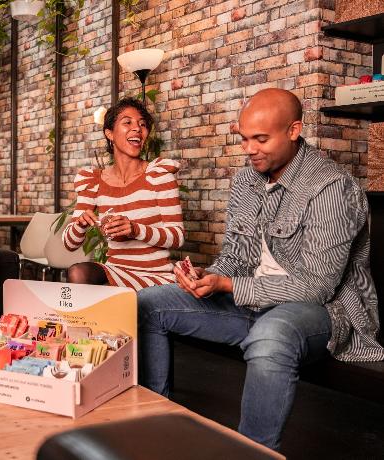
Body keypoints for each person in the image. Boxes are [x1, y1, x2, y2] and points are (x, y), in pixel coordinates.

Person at [137, 88, 384, 450]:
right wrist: (209, 278)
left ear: (294, 130)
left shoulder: (330, 187)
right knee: (148, 303)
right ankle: (154, 431)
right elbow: (237, 256)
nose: (249, 149)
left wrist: (229, 286)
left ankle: (251, 455)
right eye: (244, 138)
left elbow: (316, 288)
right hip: (252, 303)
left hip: (323, 313)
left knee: (272, 336)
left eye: (261, 139)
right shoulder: (246, 180)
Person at [62, 97, 184, 290]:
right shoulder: (94, 181)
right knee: (78, 272)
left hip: (155, 276)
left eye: (142, 124)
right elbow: (69, 243)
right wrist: (80, 224)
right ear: (109, 133)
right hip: (117, 271)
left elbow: (177, 237)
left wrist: (135, 229)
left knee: (106, 297)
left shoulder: (158, 175)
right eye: (127, 122)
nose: (137, 128)